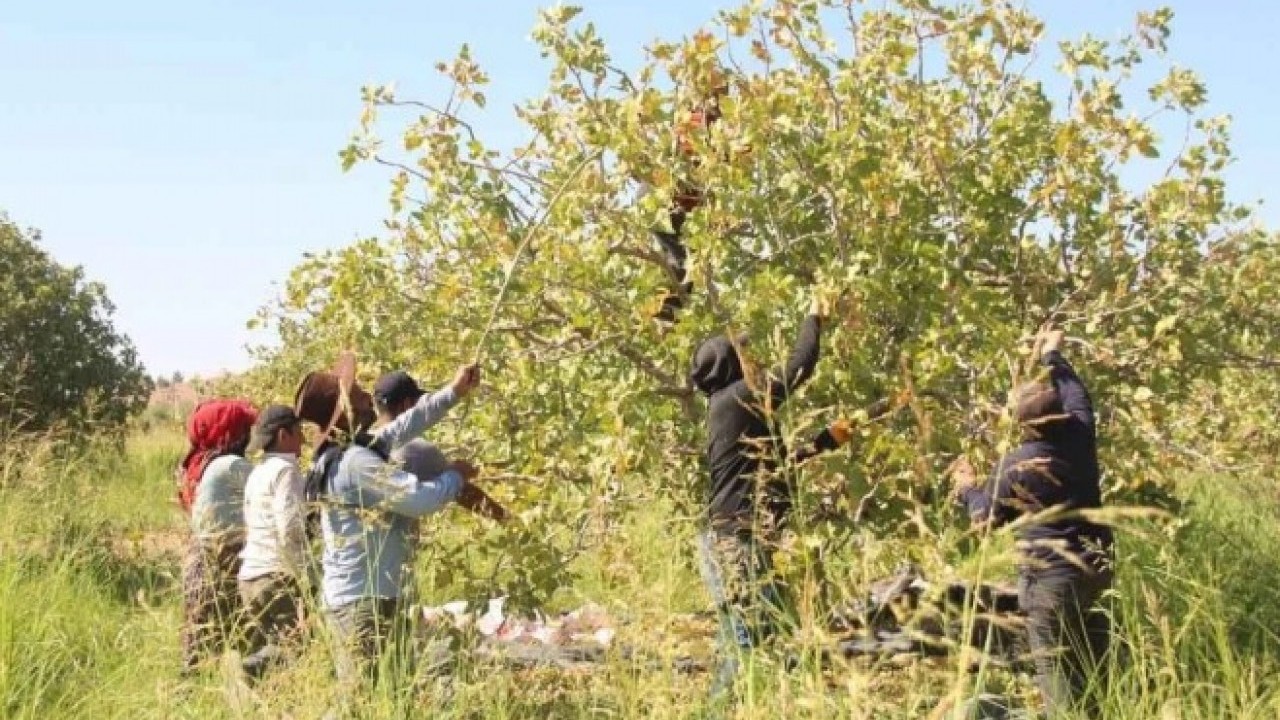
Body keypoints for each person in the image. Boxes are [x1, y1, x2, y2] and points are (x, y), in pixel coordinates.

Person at [293, 364, 506, 697]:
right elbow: (419, 500)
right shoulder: (354, 463)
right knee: (364, 701)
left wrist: (454, 392)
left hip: (369, 596)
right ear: (345, 411)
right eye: (359, 397)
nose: (368, 401)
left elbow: (405, 424)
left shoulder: (343, 453)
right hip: (365, 604)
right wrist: (455, 476)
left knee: (393, 694)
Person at [688, 297, 851, 698]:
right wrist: (813, 316)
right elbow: (798, 367)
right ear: (729, 366)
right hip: (736, 546)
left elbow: (772, 470)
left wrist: (823, 443)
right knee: (742, 646)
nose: (752, 360)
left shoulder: (734, 410)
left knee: (771, 635)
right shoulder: (736, 399)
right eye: (741, 354)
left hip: (743, 542)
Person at [951, 328, 1114, 716]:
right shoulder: (1080, 434)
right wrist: (1052, 355)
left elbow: (986, 520)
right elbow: (1077, 391)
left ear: (1022, 424)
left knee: (1053, 668)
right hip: (1098, 566)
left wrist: (966, 489)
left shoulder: (1017, 466)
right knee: (1089, 661)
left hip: (1050, 580)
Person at [177, 398, 258, 674]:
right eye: (245, 429)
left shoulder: (197, 464)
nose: (249, 436)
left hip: (200, 559)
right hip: (224, 559)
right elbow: (269, 485)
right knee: (248, 637)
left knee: (199, 642)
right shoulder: (229, 465)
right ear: (232, 434)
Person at [237, 404, 309, 679]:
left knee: (272, 647)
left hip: (251, 576)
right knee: (293, 649)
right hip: (277, 574)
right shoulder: (286, 471)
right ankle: (250, 669)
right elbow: (290, 528)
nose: (302, 439)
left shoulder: (258, 472)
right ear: (283, 434)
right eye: (298, 432)